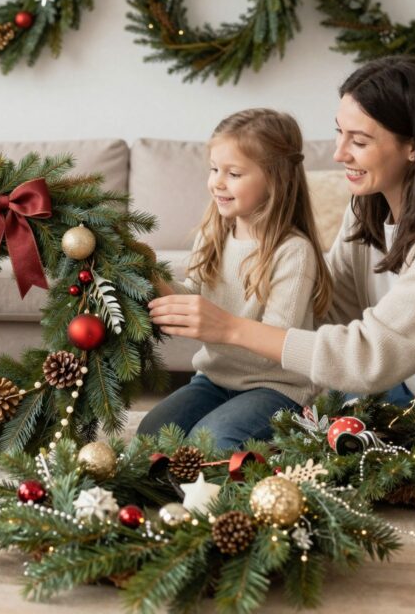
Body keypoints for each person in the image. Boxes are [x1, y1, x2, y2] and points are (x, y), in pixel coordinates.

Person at [150, 56, 415, 407]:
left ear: (414, 147)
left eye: (360, 141)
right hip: (412, 391)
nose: (339, 154)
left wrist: (232, 328)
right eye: (340, 132)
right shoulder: (370, 202)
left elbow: (369, 359)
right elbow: (331, 308)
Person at [136, 109, 333, 448]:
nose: (217, 182)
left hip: (276, 387)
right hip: (214, 379)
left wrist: (218, 324)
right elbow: (190, 299)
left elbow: (275, 347)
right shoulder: (213, 235)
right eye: (214, 169)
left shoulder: (293, 251)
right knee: (151, 435)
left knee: (210, 442)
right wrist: (149, 272)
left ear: (275, 178)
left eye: (234, 173)